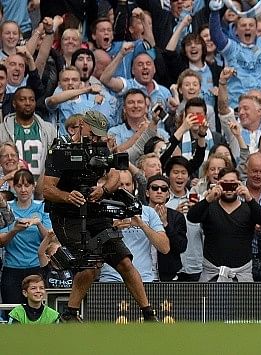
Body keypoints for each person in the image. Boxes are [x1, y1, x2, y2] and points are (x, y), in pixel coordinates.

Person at [42, 110, 158, 322]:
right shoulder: (60, 149)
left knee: (124, 260)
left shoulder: (101, 148)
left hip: (94, 208)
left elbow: (114, 174)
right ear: (81, 124)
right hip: (67, 215)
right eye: (93, 133)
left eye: (99, 135)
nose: (96, 138)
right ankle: (71, 312)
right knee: (91, 261)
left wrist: (103, 191)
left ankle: (148, 313)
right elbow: (47, 189)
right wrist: (68, 196)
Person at [187, 167, 261, 282]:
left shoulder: (248, 207)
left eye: (233, 185)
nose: (229, 189)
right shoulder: (209, 206)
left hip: (241, 275)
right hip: (212, 275)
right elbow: (192, 217)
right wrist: (209, 198)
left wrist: (249, 198)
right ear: (218, 184)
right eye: (225, 185)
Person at [99, 170, 169, 283]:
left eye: (128, 184)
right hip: (111, 279)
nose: (124, 188)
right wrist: (113, 228)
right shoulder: (101, 211)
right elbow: (92, 246)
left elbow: (165, 248)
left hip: (143, 279)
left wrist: (142, 224)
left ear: (133, 186)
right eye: (120, 184)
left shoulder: (148, 212)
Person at [0, 169, 51, 304]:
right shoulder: (7, 208)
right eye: (19, 186)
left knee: (37, 309)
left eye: (27, 185)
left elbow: (50, 238)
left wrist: (39, 224)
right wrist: (14, 231)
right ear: (14, 187)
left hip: (36, 267)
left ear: (33, 186)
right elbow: (1, 241)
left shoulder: (41, 207)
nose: (23, 190)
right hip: (12, 268)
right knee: (11, 310)